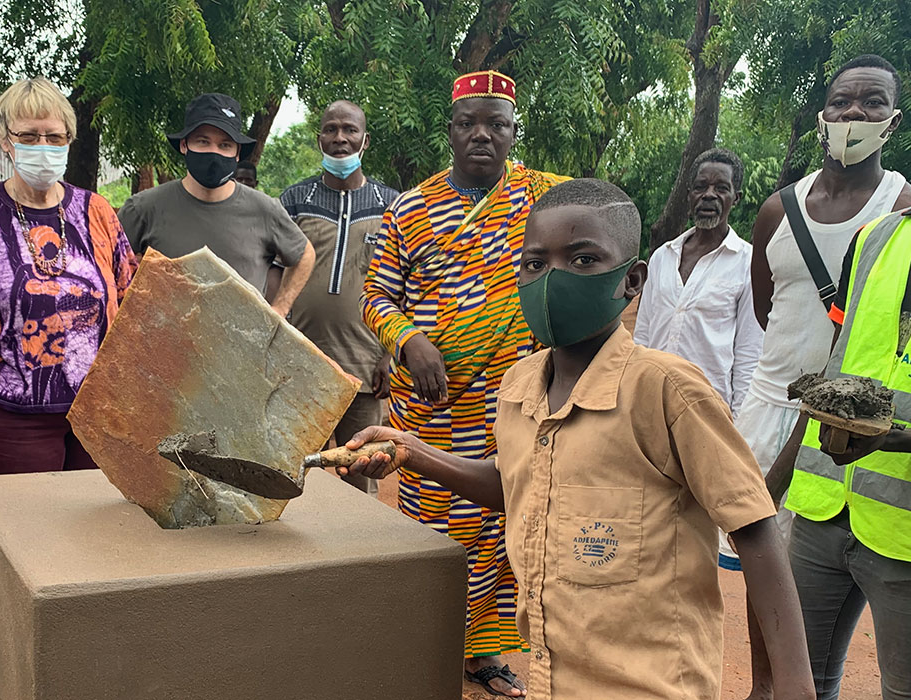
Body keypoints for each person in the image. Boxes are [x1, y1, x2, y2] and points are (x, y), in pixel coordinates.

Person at [343, 178, 816, 700]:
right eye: (535, 263)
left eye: (584, 260)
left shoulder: (667, 391)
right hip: (553, 678)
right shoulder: (520, 385)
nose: (552, 279)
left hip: (650, 684)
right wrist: (411, 451)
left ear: (632, 281)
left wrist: (792, 686)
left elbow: (754, 529)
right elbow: (515, 482)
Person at [361, 70, 566, 696]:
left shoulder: (542, 199)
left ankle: (482, 655)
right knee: (432, 529)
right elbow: (375, 295)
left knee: (503, 525)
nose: (482, 135)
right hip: (432, 407)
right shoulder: (410, 207)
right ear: (449, 131)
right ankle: (429, 641)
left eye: (496, 124)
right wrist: (408, 340)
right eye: (469, 123)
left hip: (516, 400)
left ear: (512, 132)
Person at [742, 53, 911, 699]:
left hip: (884, 475)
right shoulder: (802, 218)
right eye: (842, 102)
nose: (853, 116)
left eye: (871, 104)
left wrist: (878, 428)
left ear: (893, 122)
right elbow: (788, 331)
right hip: (796, 451)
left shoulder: (896, 208)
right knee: (789, 655)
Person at [0, 77, 136, 475]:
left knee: (99, 529)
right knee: (29, 531)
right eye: (28, 135)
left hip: (98, 411)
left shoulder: (97, 212)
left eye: (54, 137)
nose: (43, 147)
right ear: (6, 141)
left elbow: (133, 308)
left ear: (69, 140)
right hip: (13, 415)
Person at [764, 207, 911, 699]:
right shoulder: (875, 237)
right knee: (803, 683)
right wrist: (776, 481)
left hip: (904, 532)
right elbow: (835, 363)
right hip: (823, 506)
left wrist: (892, 438)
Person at [278, 101, 397, 495]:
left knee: (361, 474)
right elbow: (275, 272)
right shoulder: (294, 201)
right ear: (320, 138)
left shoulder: (392, 205)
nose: (340, 138)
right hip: (302, 364)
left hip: (364, 368)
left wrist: (389, 354)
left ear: (365, 140)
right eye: (331, 129)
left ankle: (359, 556)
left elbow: (405, 285)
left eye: (349, 130)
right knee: (290, 469)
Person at [117, 93, 314, 315]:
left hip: (241, 346)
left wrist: (280, 308)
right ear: (184, 145)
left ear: (237, 153)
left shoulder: (265, 210)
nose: (214, 152)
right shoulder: (144, 208)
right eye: (203, 142)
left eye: (225, 145)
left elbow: (304, 254)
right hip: (164, 344)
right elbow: (107, 263)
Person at [635, 148, 761, 419]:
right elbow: (643, 334)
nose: (709, 195)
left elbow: (748, 354)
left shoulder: (748, 263)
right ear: (689, 195)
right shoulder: (662, 258)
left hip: (707, 412)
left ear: (735, 199)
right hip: (650, 403)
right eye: (701, 187)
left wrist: (739, 426)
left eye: (721, 188)